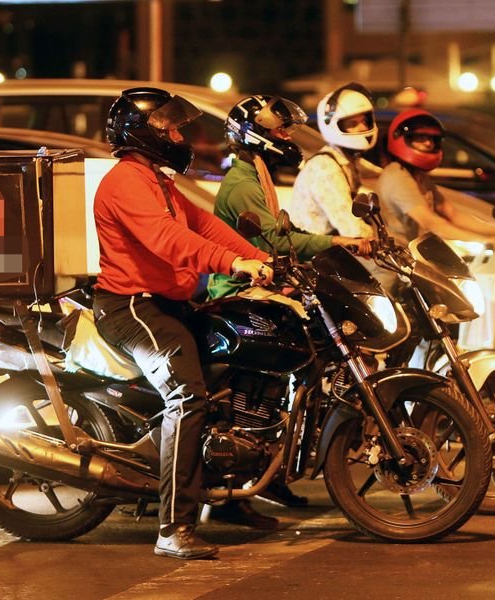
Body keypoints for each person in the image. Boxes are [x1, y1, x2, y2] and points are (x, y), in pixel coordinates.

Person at [92, 87, 275, 560]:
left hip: (170, 303)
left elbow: (202, 224)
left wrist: (262, 258)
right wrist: (232, 264)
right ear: (144, 132)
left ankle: (230, 498)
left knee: (234, 365)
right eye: (171, 129)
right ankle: (173, 528)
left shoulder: (158, 180)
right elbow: (168, 240)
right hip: (131, 306)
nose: (179, 137)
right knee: (187, 396)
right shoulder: (126, 182)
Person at [208, 94, 372, 300]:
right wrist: (336, 241)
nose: (288, 137)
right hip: (238, 289)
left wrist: (341, 243)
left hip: (263, 279)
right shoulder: (243, 185)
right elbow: (274, 241)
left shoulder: (256, 176)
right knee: (300, 313)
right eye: (280, 130)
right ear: (256, 134)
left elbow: (286, 232)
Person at [375, 108, 495, 245]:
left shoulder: (418, 175)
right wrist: (486, 241)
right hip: (397, 253)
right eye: (420, 138)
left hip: (415, 251)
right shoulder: (397, 177)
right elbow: (431, 223)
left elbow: (453, 214)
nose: (428, 143)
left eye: (431, 138)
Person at [287, 82, 377, 242]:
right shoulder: (325, 167)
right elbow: (351, 227)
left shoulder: (346, 161)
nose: (362, 127)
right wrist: (375, 238)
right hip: (313, 253)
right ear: (334, 126)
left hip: (330, 247)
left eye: (364, 121)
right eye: (353, 124)